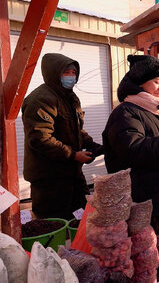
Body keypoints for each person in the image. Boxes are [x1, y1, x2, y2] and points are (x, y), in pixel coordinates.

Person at [102, 54, 159, 267]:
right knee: (149, 263)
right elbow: (132, 149)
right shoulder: (125, 113)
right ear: (140, 82)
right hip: (145, 206)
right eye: (157, 82)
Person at [22, 53, 103, 219]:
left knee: (82, 218)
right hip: (50, 179)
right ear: (54, 73)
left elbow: (76, 129)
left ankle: (78, 244)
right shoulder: (41, 99)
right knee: (55, 223)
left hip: (71, 173)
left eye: (74, 73)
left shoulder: (70, 97)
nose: (71, 77)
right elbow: (40, 139)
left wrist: (92, 145)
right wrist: (73, 155)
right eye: (67, 73)